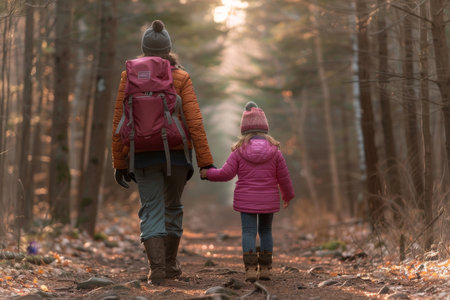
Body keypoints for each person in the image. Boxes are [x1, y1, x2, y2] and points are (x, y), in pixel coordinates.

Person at [111, 20, 215, 285]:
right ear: (169, 48)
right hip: (177, 155)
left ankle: (156, 269)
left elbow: (119, 121)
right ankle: (170, 265)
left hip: (141, 153)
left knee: (150, 208)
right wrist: (205, 162)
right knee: (173, 207)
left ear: (144, 49)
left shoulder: (130, 76)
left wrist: (120, 161)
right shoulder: (180, 76)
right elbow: (194, 121)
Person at [200, 101, 295, 282]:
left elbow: (226, 174)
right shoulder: (275, 151)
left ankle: (251, 270)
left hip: (246, 200)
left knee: (248, 233)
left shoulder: (239, 151)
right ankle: (266, 269)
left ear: (244, 130)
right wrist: (287, 195)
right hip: (268, 199)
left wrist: (207, 174)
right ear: (265, 128)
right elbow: (284, 177)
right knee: (266, 231)